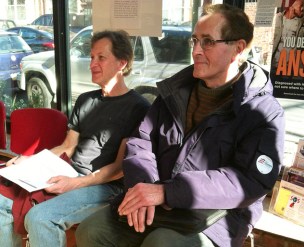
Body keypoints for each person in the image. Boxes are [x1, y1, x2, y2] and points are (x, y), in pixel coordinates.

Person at [76, 3, 285, 247]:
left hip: (217, 216)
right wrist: (144, 187)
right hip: (157, 199)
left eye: (207, 42)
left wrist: (167, 193)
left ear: (237, 49)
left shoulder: (262, 112)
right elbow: (140, 141)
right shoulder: (174, 93)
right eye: (194, 40)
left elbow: (250, 180)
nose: (196, 50)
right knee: (91, 230)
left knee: (161, 243)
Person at [0, 30, 150, 247]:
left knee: (41, 218)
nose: (92, 64)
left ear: (122, 63)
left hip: (107, 187)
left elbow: (120, 168)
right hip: (70, 173)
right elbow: (67, 147)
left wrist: (75, 183)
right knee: (2, 200)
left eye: (101, 57)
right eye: (91, 57)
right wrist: (29, 160)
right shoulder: (85, 100)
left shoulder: (139, 108)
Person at [271, 0, 304, 67]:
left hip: (289, 66)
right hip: (274, 64)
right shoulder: (278, 19)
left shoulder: (301, 23)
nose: (302, 8)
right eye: (300, 6)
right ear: (291, 7)